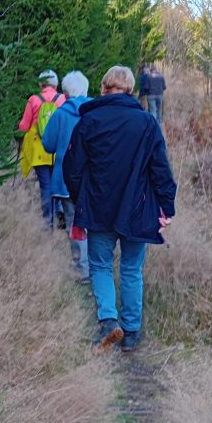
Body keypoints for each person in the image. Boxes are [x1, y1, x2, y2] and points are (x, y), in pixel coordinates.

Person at [64, 65, 177, 351]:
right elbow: (160, 169)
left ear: (103, 88)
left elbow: (72, 169)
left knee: (100, 265)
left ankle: (108, 321)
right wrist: (166, 206)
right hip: (138, 210)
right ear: (130, 90)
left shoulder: (88, 122)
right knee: (131, 269)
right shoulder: (146, 123)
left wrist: (81, 200)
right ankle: (131, 332)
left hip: (99, 208)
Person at [41, 70, 91, 281]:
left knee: (74, 223)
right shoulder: (96, 112)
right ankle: (98, 268)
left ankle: (82, 269)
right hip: (93, 179)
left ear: (65, 92)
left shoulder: (60, 114)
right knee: (95, 223)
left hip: (66, 181)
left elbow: (48, 145)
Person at [17, 70, 66, 225]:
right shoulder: (63, 99)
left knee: (45, 185)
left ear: (40, 84)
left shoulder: (34, 99)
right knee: (56, 182)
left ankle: (47, 222)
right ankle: (59, 211)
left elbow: (24, 126)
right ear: (56, 84)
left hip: (38, 148)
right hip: (57, 147)